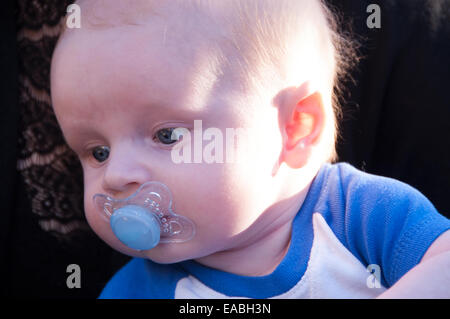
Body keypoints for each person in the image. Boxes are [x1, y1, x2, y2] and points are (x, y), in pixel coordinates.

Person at [49, 0, 449, 298]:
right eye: (97, 151)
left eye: (167, 135)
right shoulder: (138, 290)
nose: (116, 175)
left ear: (295, 128)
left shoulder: (356, 213)